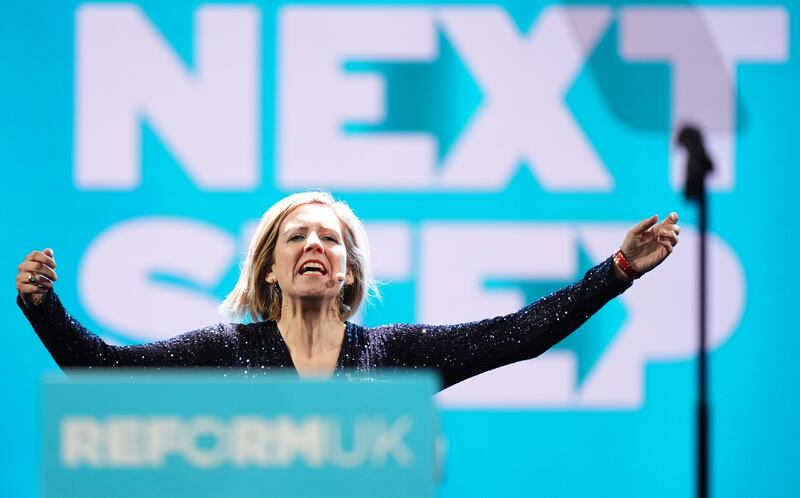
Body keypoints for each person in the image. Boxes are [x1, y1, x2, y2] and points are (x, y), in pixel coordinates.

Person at [16, 191, 680, 389]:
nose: (314, 245)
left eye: (330, 239)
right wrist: (44, 309)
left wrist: (616, 270)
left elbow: (518, 336)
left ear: (349, 272)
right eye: (296, 236)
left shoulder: (393, 355)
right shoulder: (223, 351)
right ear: (269, 270)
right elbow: (100, 368)